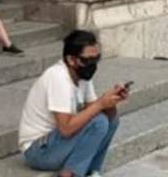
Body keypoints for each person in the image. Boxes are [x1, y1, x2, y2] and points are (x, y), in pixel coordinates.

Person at [18, 29, 127, 177]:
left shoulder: (82, 76)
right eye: (87, 60)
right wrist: (101, 104)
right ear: (71, 60)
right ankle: (69, 174)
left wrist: (112, 102)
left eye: (96, 59)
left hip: (58, 144)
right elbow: (66, 128)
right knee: (99, 122)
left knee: (111, 119)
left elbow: (94, 110)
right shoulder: (58, 77)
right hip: (38, 151)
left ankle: (92, 172)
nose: (92, 65)